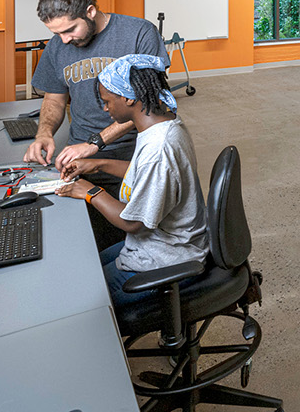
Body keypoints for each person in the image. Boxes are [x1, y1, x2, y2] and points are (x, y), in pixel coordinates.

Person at [55, 55, 207, 308]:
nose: (105, 109)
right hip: (162, 245)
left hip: (166, 259)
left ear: (128, 98)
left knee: (77, 300)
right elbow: (148, 176)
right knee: (86, 266)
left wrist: (91, 192)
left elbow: (133, 223)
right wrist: (98, 163)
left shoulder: (158, 149)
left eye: (106, 101)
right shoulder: (162, 125)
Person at [25, 0, 169, 248]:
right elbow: (54, 97)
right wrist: (44, 133)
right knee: (88, 241)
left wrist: (95, 143)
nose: (65, 40)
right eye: (57, 34)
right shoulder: (59, 45)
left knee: (134, 239)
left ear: (90, 11)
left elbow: (152, 101)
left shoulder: (138, 33)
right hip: (80, 159)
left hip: (132, 157)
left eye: (70, 29)